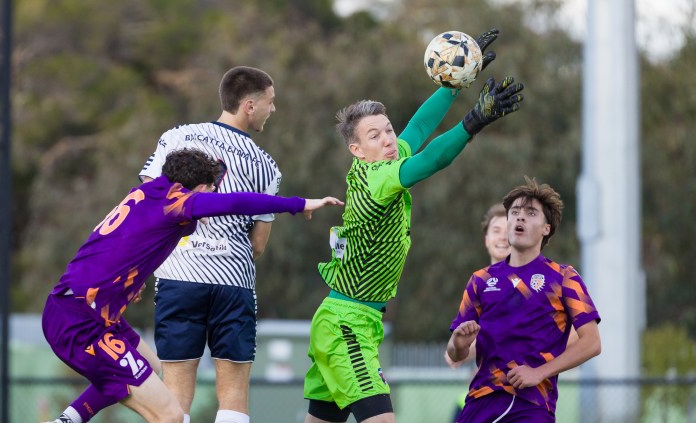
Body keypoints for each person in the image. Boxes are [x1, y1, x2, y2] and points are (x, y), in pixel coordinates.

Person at [303, 29, 525, 423]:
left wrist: (453, 84)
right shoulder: (378, 178)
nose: (389, 139)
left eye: (388, 129)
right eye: (375, 135)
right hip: (347, 324)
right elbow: (431, 159)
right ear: (357, 150)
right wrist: (473, 121)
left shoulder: (382, 162)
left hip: (351, 320)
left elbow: (419, 130)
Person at [42, 149, 343, 423]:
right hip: (82, 321)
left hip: (80, 307)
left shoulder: (146, 192)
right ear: (198, 189)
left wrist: (128, 281)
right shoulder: (177, 202)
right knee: (171, 416)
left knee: (150, 364)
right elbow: (237, 202)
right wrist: (299, 204)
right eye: (211, 189)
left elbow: (121, 242)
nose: (212, 195)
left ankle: (68, 420)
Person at [138, 66, 281, 423]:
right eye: (270, 101)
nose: (273, 109)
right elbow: (258, 245)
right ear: (249, 106)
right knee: (234, 393)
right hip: (233, 282)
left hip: (179, 275)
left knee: (175, 394)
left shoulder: (177, 137)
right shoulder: (267, 167)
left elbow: (147, 202)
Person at [446, 177, 602, 422]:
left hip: (530, 405)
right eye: (515, 212)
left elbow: (592, 343)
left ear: (546, 228)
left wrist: (540, 372)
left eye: (530, 213)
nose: (520, 218)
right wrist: (458, 343)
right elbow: (454, 354)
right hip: (478, 403)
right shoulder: (480, 280)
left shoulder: (564, 278)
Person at [445, 203, 509, 421]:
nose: (502, 237)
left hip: (523, 397)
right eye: (496, 230)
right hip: (484, 394)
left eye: (508, 231)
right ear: (486, 239)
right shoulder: (478, 283)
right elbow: (455, 349)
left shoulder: (531, 285)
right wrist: (458, 347)